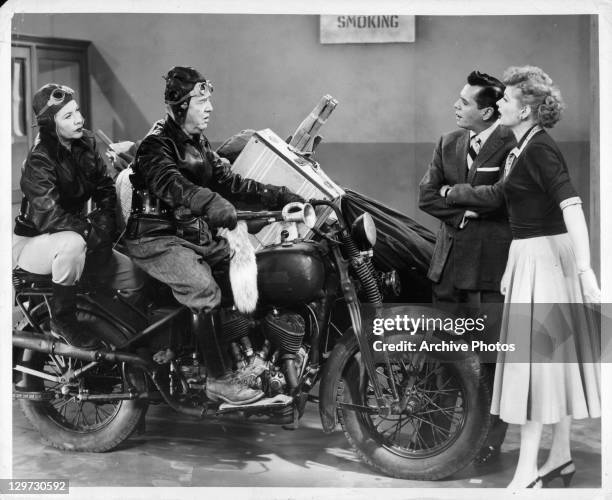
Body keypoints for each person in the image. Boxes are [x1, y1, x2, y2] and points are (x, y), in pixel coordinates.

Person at [125, 66, 302, 405]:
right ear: (180, 106)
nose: (209, 108)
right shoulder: (154, 147)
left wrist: (283, 195)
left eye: (208, 101)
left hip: (191, 235)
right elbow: (173, 185)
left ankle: (249, 358)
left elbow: (230, 181)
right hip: (157, 239)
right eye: (201, 101)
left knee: (254, 269)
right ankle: (218, 379)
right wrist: (211, 202)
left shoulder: (198, 143)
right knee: (205, 290)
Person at [492, 65, 601, 488]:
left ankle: (528, 474)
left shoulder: (540, 150)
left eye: (506, 99)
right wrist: (509, 266)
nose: (499, 103)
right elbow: (523, 213)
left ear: (526, 110)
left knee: (535, 366)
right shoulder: (521, 147)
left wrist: (585, 270)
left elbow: (571, 207)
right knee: (547, 364)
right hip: (531, 258)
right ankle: (560, 458)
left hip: (548, 263)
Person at [418, 70, 516, 463]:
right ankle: (431, 437)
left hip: (488, 274)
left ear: (489, 111)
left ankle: (485, 443)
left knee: (488, 363)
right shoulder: (449, 142)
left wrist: (456, 194)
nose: (455, 106)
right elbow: (426, 196)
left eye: (464, 101)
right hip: (448, 271)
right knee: (439, 358)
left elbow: (504, 199)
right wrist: (465, 214)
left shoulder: (512, 143)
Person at [13, 83, 144, 350]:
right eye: (68, 116)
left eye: (78, 111)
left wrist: (105, 225)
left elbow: (105, 188)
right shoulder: (39, 160)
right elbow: (49, 215)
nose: (79, 120)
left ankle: (117, 341)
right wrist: (90, 232)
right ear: (50, 124)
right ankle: (62, 320)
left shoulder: (84, 145)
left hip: (75, 236)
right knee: (72, 243)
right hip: (35, 243)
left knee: (135, 276)